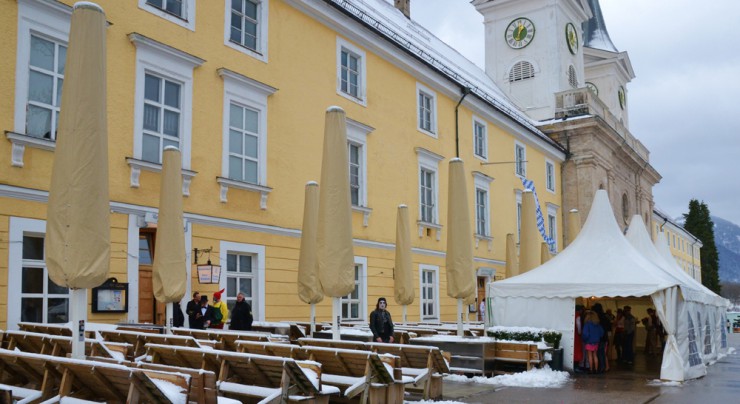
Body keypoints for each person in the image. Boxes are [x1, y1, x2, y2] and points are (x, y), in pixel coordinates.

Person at [573, 305, 584, 371]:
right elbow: (579, 327)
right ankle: (576, 366)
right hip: (577, 336)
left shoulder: (572, 314)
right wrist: (580, 333)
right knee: (577, 350)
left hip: (573, 334)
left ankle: (574, 365)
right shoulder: (578, 316)